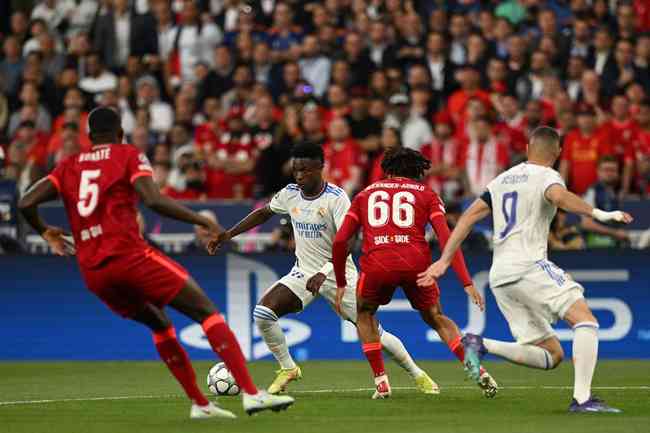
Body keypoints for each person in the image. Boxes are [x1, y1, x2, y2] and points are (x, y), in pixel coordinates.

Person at [18, 107, 294, 419]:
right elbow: (153, 200)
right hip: (128, 255)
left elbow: (26, 201)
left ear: (89, 136)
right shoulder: (127, 155)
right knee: (206, 312)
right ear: (120, 132)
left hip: (93, 270)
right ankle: (251, 394)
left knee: (159, 324)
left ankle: (201, 405)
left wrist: (45, 231)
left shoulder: (68, 166)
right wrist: (200, 218)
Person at [418, 126, 633, 413]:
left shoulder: (501, 180)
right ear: (556, 154)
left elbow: (468, 217)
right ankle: (583, 400)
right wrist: (600, 213)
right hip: (529, 265)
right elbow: (559, 197)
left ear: (529, 148)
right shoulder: (548, 176)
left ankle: (478, 344)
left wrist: (445, 259)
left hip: (501, 275)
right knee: (586, 321)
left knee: (552, 354)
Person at [210, 143, 438, 396]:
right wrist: (228, 234)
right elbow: (263, 214)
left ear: (320, 167)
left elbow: (347, 240)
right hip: (303, 272)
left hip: (339, 274)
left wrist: (325, 271)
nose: (299, 176)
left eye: (305, 170)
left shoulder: (336, 198)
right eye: (296, 170)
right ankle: (289, 368)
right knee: (263, 313)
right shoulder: (290, 193)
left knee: (376, 334)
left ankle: (418, 374)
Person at [331, 147, 498, 399]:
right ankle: (476, 368)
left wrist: (341, 281)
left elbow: (340, 241)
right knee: (436, 317)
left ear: (386, 169)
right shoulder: (427, 194)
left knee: (364, 313)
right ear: (416, 171)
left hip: (378, 265)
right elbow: (447, 239)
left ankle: (382, 383)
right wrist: (466, 281)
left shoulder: (364, 195)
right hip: (416, 265)